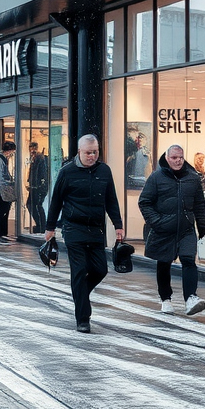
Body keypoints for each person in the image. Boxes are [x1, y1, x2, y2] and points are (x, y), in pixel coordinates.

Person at [44, 134, 124, 333]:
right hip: (74, 228)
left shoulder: (104, 171)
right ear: (79, 152)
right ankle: (83, 319)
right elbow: (56, 201)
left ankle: (80, 294)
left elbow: (111, 199)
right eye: (88, 153)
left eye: (95, 152)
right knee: (79, 271)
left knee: (100, 269)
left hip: (96, 229)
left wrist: (118, 224)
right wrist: (50, 227)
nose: (92, 156)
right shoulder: (67, 172)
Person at [139, 144, 205, 316]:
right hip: (164, 229)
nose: (178, 161)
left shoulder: (193, 178)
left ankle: (191, 298)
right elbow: (144, 202)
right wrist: (157, 222)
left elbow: (199, 203)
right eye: (174, 158)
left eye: (181, 157)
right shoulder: (156, 177)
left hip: (186, 229)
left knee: (188, 260)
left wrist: (201, 223)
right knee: (164, 263)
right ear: (167, 158)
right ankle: (166, 299)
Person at [26, 141, 49, 233]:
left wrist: (38, 186)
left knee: (36, 205)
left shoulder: (40, 158)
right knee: (32, 205)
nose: (32, 150)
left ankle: (42, 226)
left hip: (38, 187)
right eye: (31, 148)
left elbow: (42, 174)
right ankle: (40, 225)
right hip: (35, 186)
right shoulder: (35, 158)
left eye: (33, 148)